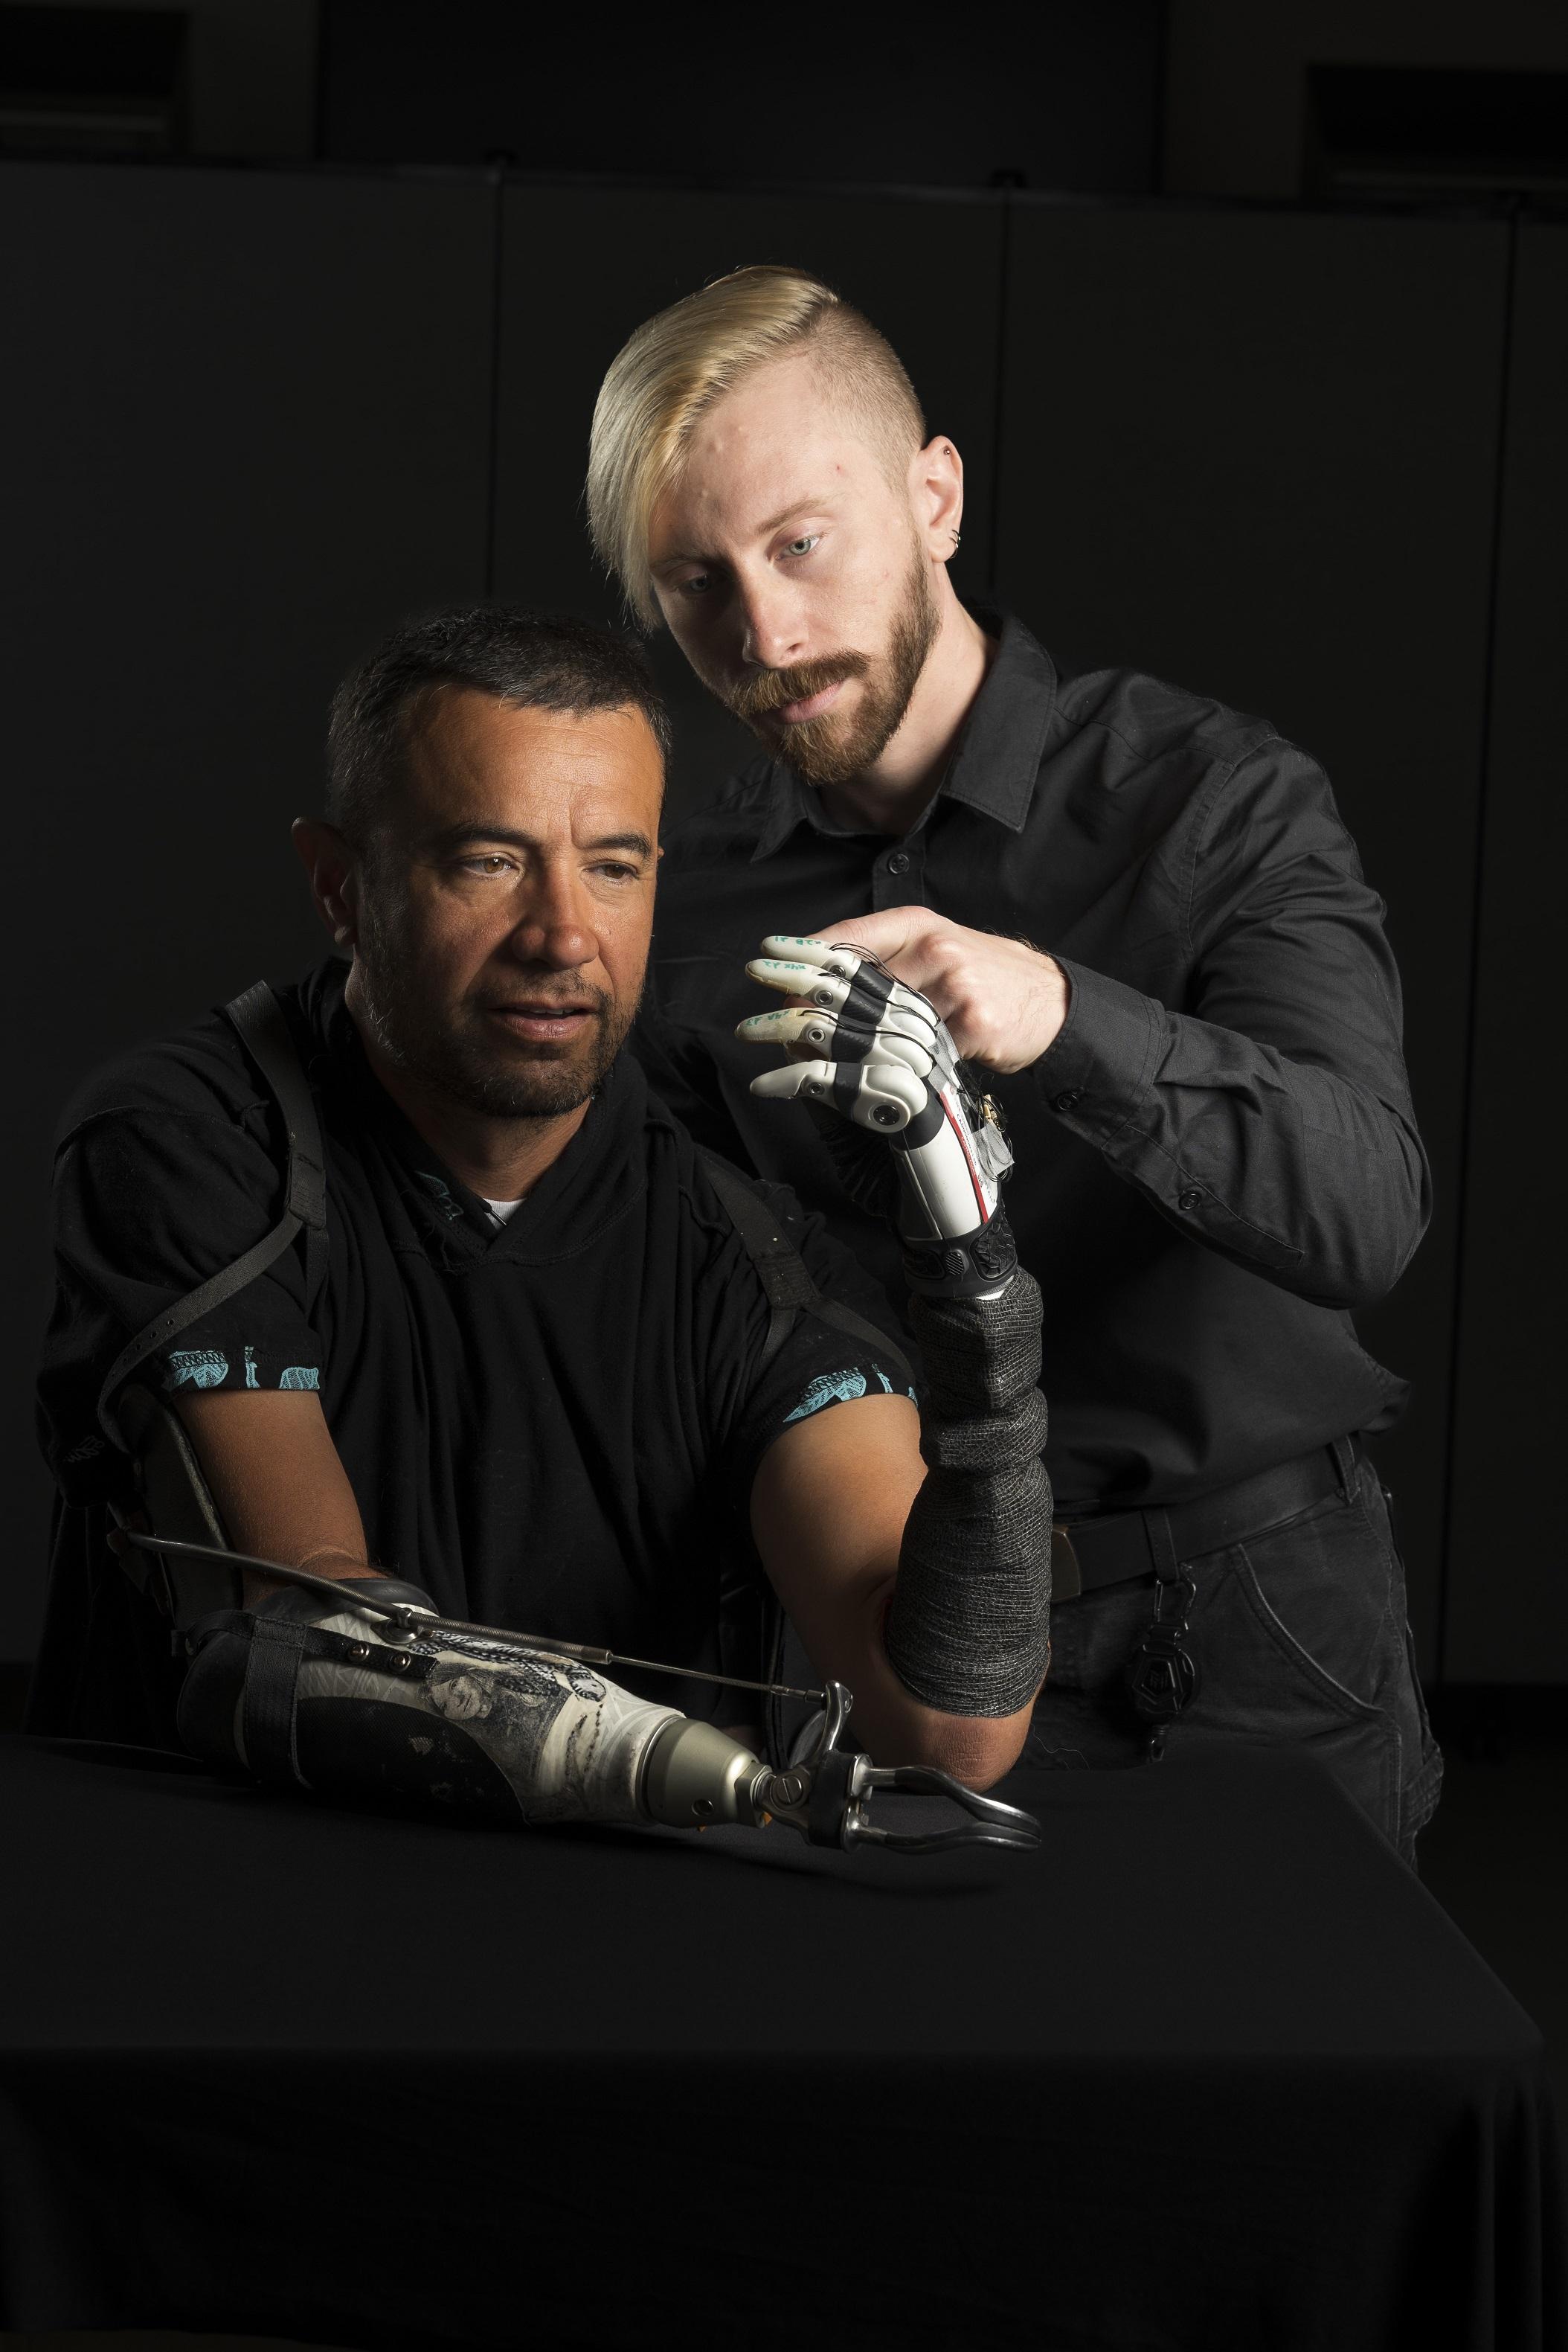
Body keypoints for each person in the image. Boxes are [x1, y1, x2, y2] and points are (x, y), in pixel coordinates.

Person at [588, 265, 1444, 1866]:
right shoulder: (681, 906)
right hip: (889, 1643)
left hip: (1252, 1625)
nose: (764, 635)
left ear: (935, 498)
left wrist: (1061, 1015)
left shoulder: (1214, 800)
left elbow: (1366, 1214)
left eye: (800, 543)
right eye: (697, 583)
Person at [30, 607, 1053, 1835]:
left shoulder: (735, 1213)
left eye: (613, 866)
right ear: (339, 887)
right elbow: (321, 1639)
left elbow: (951, 1728)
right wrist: (660, 1755)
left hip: (617, 1940)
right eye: (487, 861)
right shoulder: (191, 1139)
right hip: (217, 1913)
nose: (563, 935)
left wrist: (981, 1294)